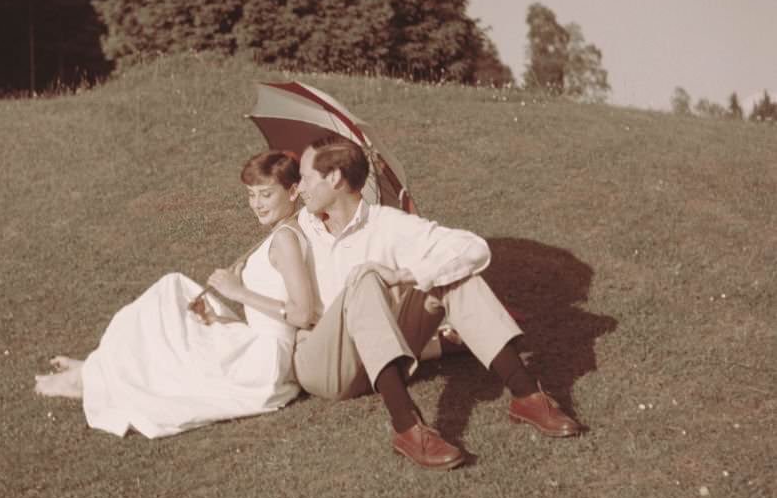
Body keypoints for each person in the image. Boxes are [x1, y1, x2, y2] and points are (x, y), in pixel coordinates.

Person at [292, 134, 580, 470]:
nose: (300, 188)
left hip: (377, 357)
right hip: (325, 364)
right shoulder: (301, 227)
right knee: (365, 277)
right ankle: (406, 425)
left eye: (307, 178)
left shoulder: (387, 223)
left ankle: (526, 394)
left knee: (453, 274)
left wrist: (405, 275)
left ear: (335, 178)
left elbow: (473, 248)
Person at [34, 151, 315, 438]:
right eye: (251, 194)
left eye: (266, 194)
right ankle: (98, 368)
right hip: (259, 345)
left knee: (169, 298)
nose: (256, 204)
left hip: (263, 362)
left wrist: (238, 292)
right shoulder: (281, 233)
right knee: (175, 305)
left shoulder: (285, 240)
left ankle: (91, 376)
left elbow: (302, 314)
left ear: (293, 191)